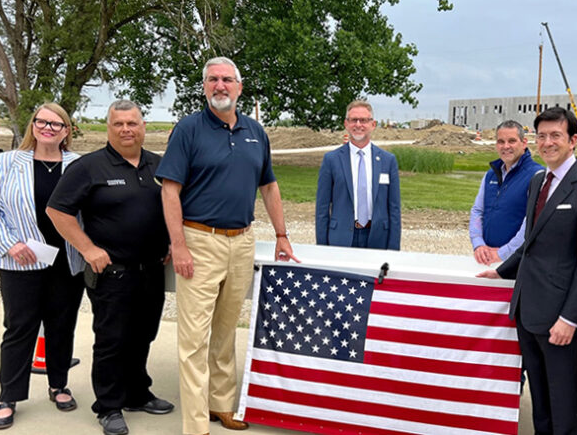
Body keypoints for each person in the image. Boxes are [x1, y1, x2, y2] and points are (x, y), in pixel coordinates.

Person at [156, 56, 297, 435]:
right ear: (204, 87)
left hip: (242, 240)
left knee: (225, 330)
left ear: (239, 86)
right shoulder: (188, 130)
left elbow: (269, 186)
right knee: (194, 340)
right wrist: (179, 245)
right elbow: (170, 191)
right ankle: (197, 424)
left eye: (227, 80)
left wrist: (281, 234)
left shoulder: (255, 131)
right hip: (200, 241)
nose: (220, 86)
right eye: (213, 80)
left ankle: (221, 405)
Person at [478, 107, 577, 434]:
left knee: (564, 403)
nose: (548, 142)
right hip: (528, 311)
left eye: (556, 135)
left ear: (573, 140)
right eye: (542, 136)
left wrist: (570, 318)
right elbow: (530, 241)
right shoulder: (539, 181)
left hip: (560, 318)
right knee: (540, 400)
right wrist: (502, 271)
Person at [47, 100, 173, 435]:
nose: (126, 130)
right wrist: (87, 248)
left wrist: (175, 242)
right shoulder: (89, 167)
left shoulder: (159, 166)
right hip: (112, 273)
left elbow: (174, 208)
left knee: (144, 335)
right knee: (112, 339)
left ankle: (136, 393)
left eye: (132, 123)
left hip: (152, 269)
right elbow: (57, 211)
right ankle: (109, 406)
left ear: (143, 125)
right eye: (118, 124)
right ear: (108, 128)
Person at [0, 103, 85, 430]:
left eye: (57, 124)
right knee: (19, 327)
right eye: (42, 121)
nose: (48, 128)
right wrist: (10, 243)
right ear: (33, 125)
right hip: (21, 260)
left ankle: (58, 384)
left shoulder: (78, 165)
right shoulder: (7, 163)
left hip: (66, 260)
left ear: (67, 131)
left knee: (61, 325)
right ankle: (9, 395)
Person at [315, 100, 401, 249]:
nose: (358, 124)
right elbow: (322, 208)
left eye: (364, 120)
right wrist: (322, 248)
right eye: (354, 120)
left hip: (378, 238)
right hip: (341, 238)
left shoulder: (388, 161)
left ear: (372, 125)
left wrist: (393, 249)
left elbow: (394, 208)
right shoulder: (331, 160)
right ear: (346, 124)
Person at [469, 120, 542, 264]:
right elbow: (477, 211)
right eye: (501, 141)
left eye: (512, 141)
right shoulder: (490, 175)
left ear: (524, 142)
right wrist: (478, 244)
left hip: (519, 262)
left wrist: (504, 253)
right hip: (488, 257)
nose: (506, 146)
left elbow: (532, 221)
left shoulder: (536, 176)